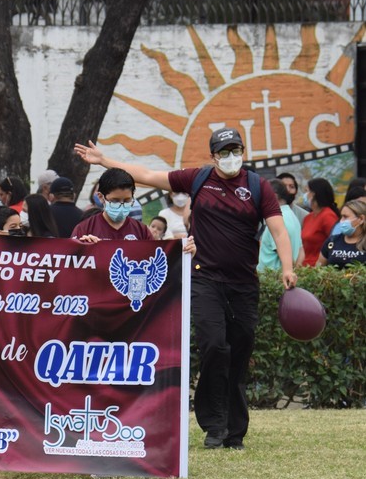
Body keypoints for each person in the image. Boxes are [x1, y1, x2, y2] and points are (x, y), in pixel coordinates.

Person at [75, 127, 296, 451]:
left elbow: (277, 229)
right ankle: (213, 424)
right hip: (205, 278)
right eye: (224, 152)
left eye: (236, 150)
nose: (230, 157)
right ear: (213, 155)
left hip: (244, 283)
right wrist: (105, 159)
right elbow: (149, 175)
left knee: (239, 351)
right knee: (213, 346)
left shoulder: (257, 185)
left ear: (243, 152)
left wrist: (288, 267)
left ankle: (235, 431)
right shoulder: (198, 179)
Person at [71, 169, 153, 242]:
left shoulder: (142, 231)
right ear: (101, 197)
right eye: (115, 201)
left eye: (127, 200)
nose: (121, 205)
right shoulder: (84, 229)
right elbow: (71, 256)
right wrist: (85, 247)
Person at [257, 179, 303, 272]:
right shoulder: (292, 216)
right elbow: (301, 252)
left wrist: (287, 272)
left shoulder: (277, 220)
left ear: (273, 195)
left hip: (272, 280)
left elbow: (284, 252)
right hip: (282, 278)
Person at [300, 178, 340, 266]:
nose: (305, 195)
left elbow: (336, 243)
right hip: (306, 269)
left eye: (307, 191)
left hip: (320, 270)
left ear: (314, 194)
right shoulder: (308, 217)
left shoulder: (328, 216)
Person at [316, 199, 366, 268]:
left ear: (361, 219)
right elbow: (318, 269)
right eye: (341, 217)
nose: (341, 221)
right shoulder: (332, 241)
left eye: (345, 217)